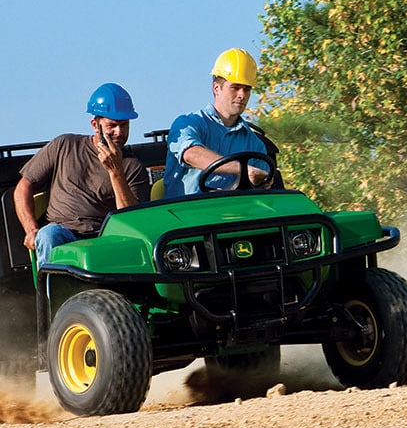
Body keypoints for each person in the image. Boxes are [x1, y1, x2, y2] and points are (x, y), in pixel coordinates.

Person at [15, 83, 150, 267]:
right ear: (95, 125)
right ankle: (49, 294)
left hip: (103, 237)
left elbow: (132, 221)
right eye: (112, 125)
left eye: (124, 125)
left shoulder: (133, 167)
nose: (119, 132)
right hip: (62, 231)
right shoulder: (64, 145)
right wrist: (31, 230)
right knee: (47, 235)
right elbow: (23, 187)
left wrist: (116, 171)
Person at [162, 48, 270, 198]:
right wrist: (243, 169)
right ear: (216, 88)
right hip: (186, 216)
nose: (242, 95)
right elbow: (191, 154)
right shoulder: (187, 124)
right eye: (235, 87)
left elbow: (261, 190)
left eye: (247, 89)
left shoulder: (255, 144)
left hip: (235, 216)